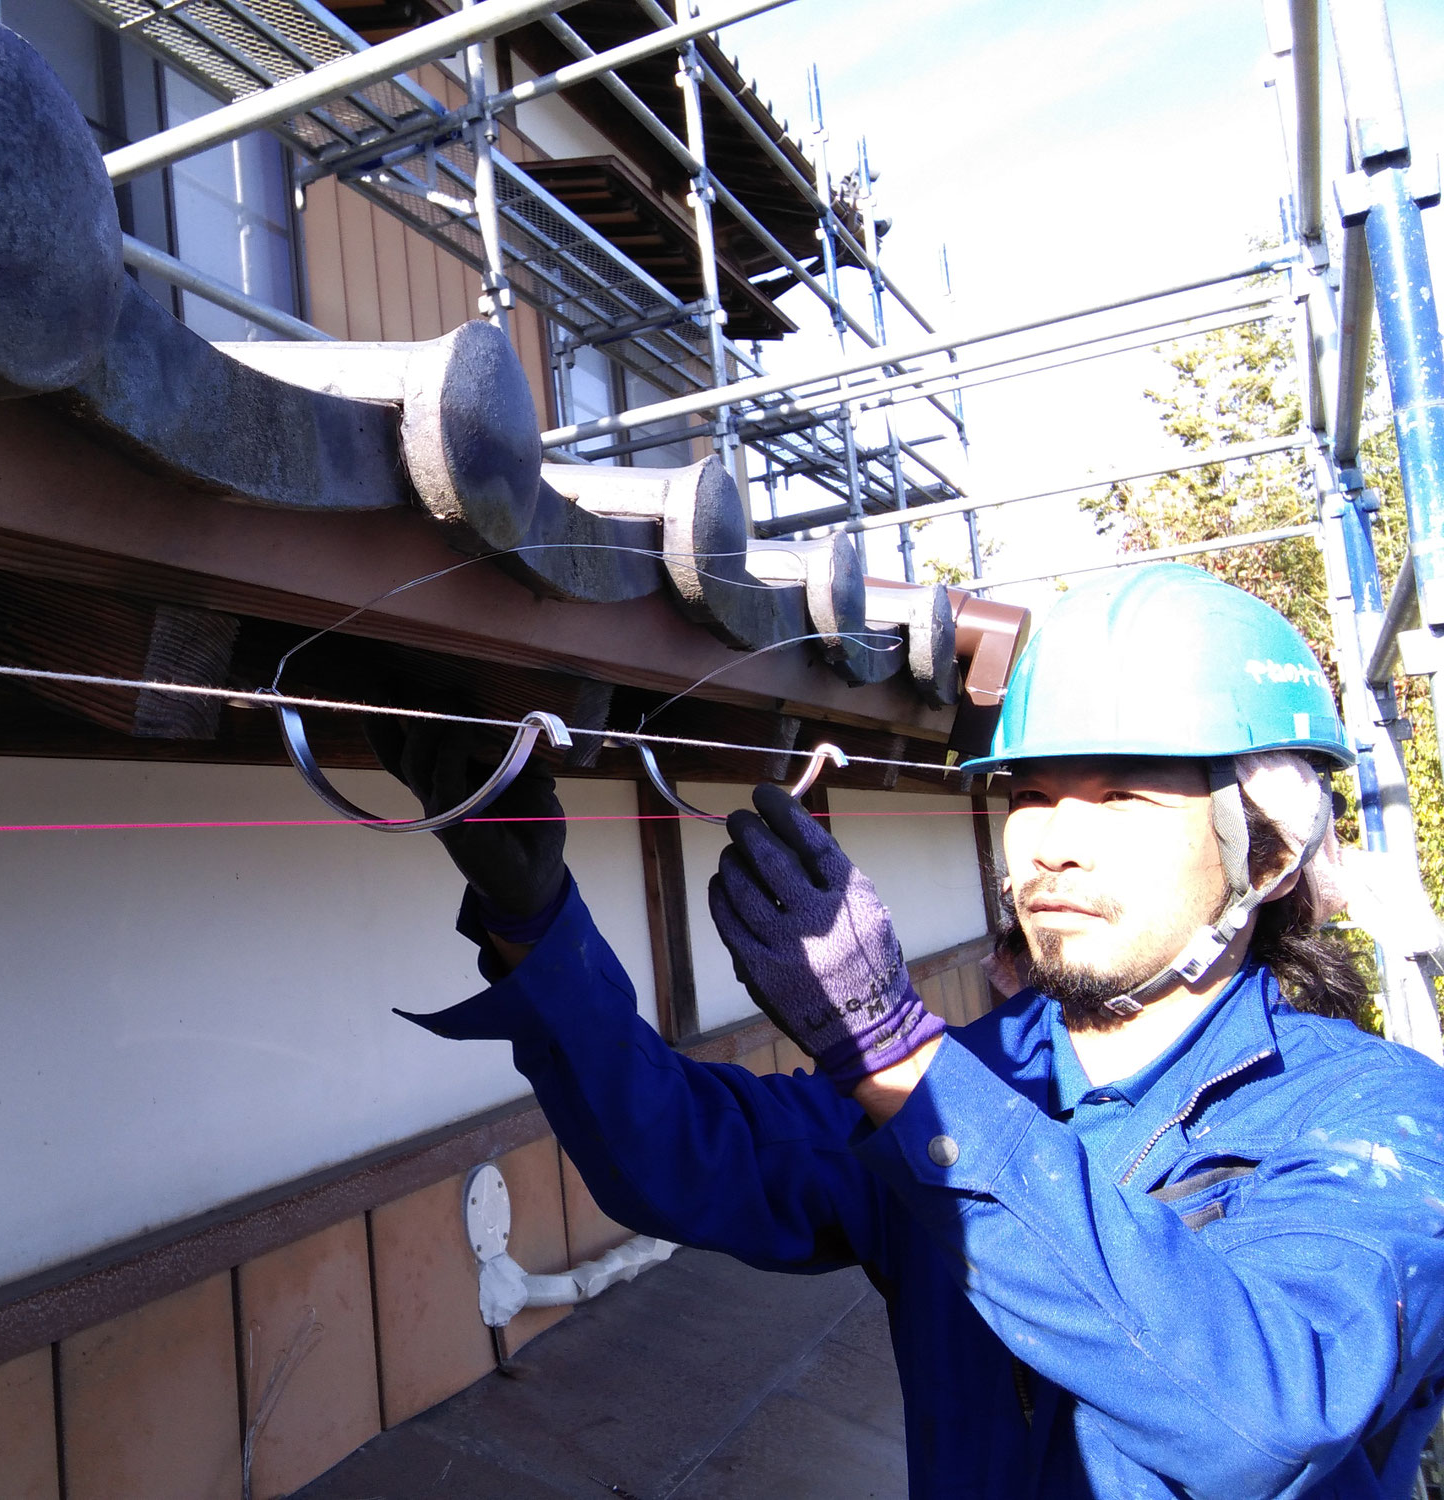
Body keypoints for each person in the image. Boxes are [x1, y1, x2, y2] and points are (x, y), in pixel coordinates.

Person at [369, 563, 1444, 1499]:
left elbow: (1265, 1415)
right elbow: (681, 1153)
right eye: (1028, 794)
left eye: (1120, 797)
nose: (1052, 845)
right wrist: (533, 923)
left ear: (1264, 857)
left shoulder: (1372, 1118)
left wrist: (893, 1050)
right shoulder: (975, 1077)